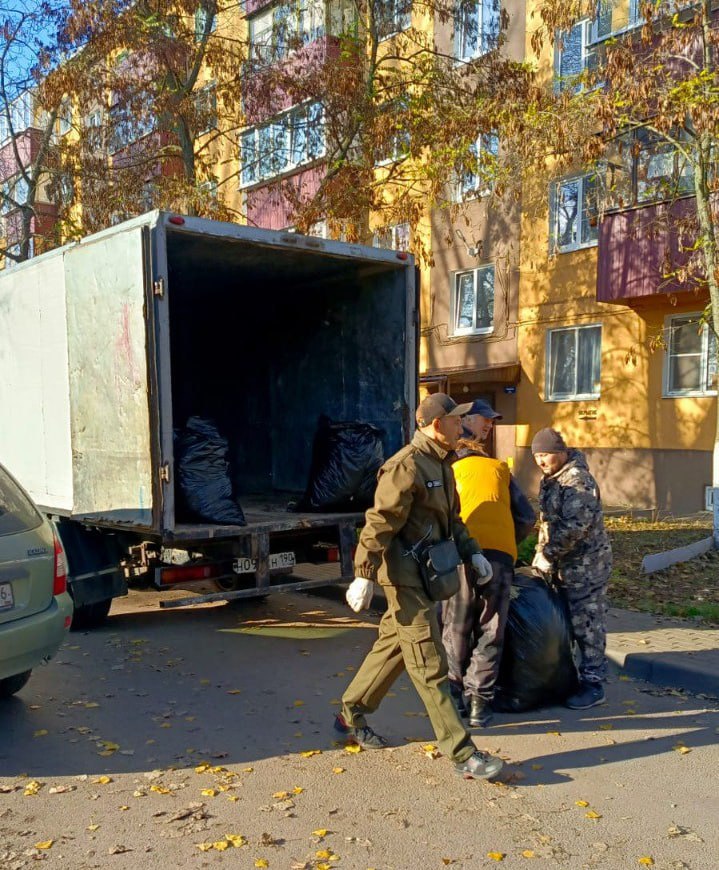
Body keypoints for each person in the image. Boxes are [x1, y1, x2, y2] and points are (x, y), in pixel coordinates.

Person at [337, 393, 504, 780]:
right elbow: (379, 521)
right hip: (404, 580)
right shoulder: (405, 466)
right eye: (455, 421)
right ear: (434, 425)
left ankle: (351, 714)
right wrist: (363, 572)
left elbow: (453, 521)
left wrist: (473, 552)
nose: (461, 426)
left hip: (429, 574)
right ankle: (463, 753)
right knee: (430, 664)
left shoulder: (443, 463)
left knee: (392, 647)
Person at [442, 399, 536, 727]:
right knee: (491, 627)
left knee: (456, 624)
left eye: (492, 420)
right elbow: (526, 516)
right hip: (497, 557)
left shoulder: (447, 467)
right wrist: (508, 544)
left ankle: (454, 696)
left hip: (459, 555)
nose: (490, 425)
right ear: (465, 420)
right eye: (485, 419)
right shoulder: (497, 468)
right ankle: (480, 703)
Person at [530, 427, 612, 710]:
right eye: (537, 456)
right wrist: (540, 553)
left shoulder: (577, 480)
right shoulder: (551, 479)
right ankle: (570, 679)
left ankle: (593, 683)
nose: (541, 461)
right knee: (566, 622)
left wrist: (548, 554)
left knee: (587, 624)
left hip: (587, 567)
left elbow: (576, 526)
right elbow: (549, 522)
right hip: (563, 566)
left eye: (546, 455)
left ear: (562, 453)